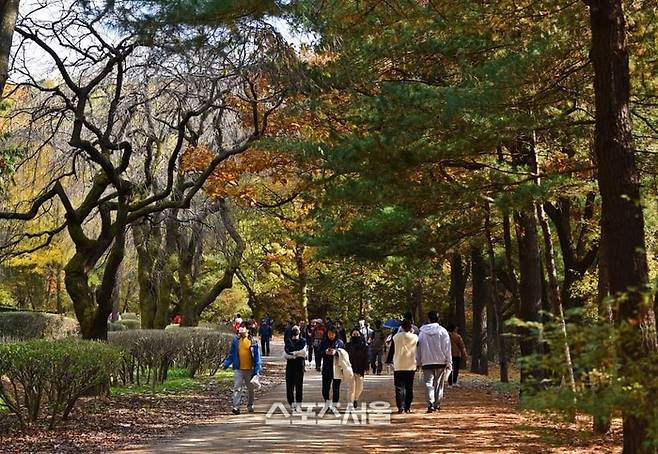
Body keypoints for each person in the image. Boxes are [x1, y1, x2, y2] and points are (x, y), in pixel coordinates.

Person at [416, 311, 452, 413]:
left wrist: (418, 362)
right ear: (438, 318)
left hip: (426, 361)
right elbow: (447, 348)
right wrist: (449, 361)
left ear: (428, 319)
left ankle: (430, 403)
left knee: (428, 383)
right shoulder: (443, 331)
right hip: (440, 361)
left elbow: (419, 348)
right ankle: (437, 404)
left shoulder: (422, 332)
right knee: (439, 384)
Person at [223, 325, 263, 415]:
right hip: (238, 368)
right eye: (240, 333)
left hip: (250, 369)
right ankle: (236, 407)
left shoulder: (253, 341)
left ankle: (250, 405)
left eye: (243, 333)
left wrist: (257, 370)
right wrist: (226, 363)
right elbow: (232, 354)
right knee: (237, 388)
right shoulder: (236, 341)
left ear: (247, 331)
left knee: (250, 389)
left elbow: (257, 357)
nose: (241, 334)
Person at [386, 319, 418, 413]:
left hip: (399, 365)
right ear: (410, 327)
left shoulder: (396, 337)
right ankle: (407, 406)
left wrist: (388, 360)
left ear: (402, 327)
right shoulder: (415, 337)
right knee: (409, 387)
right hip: (411, 365)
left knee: (399, 387)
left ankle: (400, 407)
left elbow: (392, 350)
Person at [283, 325, 307, 411]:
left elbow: (304, 353)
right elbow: (285, 355)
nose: (296, 332)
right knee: (289, 385)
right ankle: (291, 403)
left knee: (299, 385)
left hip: (300, 365)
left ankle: (299, 403)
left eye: (297, 330)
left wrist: (292, 353)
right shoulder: (288, 341)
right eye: (294, 330)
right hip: (290, 365)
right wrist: (296, 355)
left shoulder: (303, 341)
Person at [320, 327, 345, 406]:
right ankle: (327, 402)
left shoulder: (340, 342)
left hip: (337, 368)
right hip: (327, 368)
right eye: (329, 334)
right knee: (325, 389)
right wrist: (325, 352)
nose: (331, 335)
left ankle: (334, 404)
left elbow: (344, 354)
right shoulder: (324, 342)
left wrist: (336, 353)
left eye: (332, 334)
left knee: (336, 388)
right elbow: (319, 352)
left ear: (336, 334)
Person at [345, 328, 368, 407]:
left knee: (360, 388)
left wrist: (367, 367)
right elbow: (344, 357)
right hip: (350, 369)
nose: (355, 336)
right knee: (351, 387)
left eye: (357, 334)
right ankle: (350, 403)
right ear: (351, 335)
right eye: (354, 334)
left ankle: (355, 399)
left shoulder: (364, 346)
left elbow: (366, 357)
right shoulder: (347, 345)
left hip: (360, 369)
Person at [446, 322, 468, 387]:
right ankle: (454, 382)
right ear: (454, 329)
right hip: (456, 354)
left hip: (448, 354)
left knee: (449, 368)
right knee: (456, 369)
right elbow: (462, 346)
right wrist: (465, 354)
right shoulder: (458, 336)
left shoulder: (446, 335)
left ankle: (449, 383)